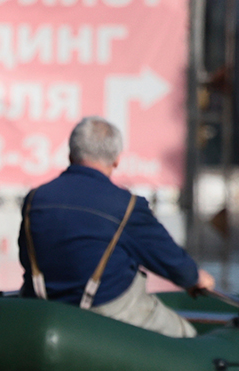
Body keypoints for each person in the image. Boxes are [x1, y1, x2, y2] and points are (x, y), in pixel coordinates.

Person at [18, 116, 214, 338]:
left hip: (44, 310)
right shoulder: (128, 207)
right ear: (116, 160)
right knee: (187, 335)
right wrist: (194, 278)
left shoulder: (34, 199)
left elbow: (25, 257)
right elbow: (169, 260)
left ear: (71, 154)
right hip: (109, 311)